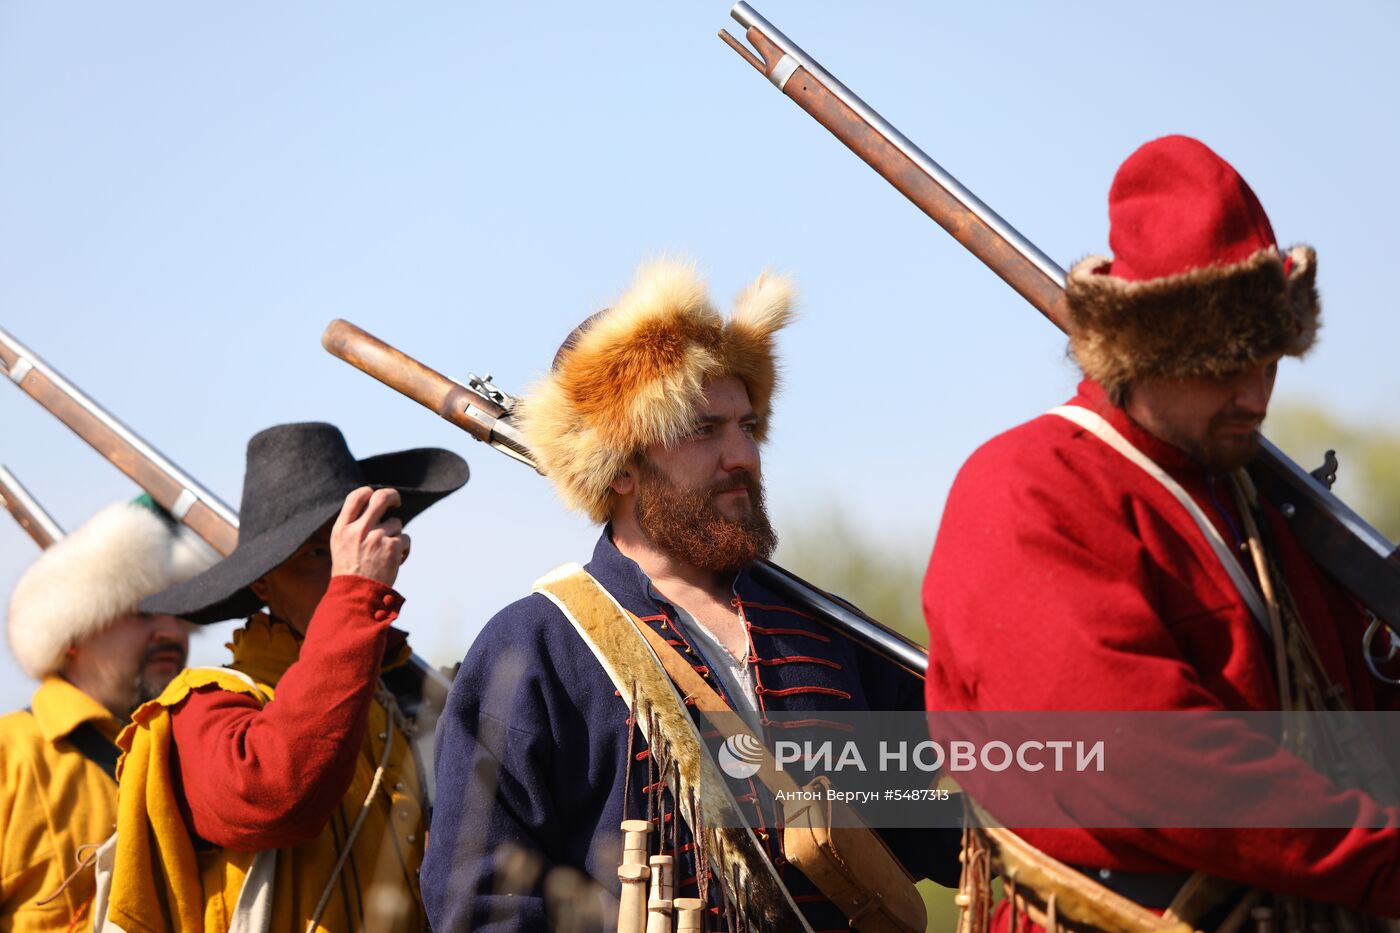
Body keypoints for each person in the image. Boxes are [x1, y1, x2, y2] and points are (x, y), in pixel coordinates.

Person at [922, 135, 1400, 928]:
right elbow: (1140, 755)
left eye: (1270, 358)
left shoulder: (1259, 503)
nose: (1256, 393)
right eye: (1224, 361)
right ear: (1147, 349)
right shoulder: (1026, 487)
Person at [422, 258, 959, 933]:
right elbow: (483, 909)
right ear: (618, 464)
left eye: (748, 424)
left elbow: (940, 821)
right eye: (704, 429)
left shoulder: (827, 631)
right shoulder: (534, 647)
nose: (744, 454)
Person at [103, 422, 467, 932]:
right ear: (263, 582)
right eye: (318, 554)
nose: (340, 568)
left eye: (350, 545)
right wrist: (357, 593)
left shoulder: (391, 702)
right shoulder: (202, 705)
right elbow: (274, 796)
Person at [1, 496, 215, 931]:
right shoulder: (9, 756)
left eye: (179, 613)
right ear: (72, 635)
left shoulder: (201, 749)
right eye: (141, 612)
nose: (173, 632)